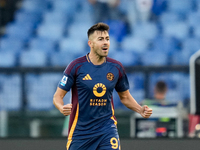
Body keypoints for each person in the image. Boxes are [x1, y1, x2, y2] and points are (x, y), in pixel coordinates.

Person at [53, 22, 152, 150]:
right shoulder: (76, 66)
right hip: (81, 133)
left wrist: (140, 110)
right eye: (100, 39)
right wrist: (61, 107)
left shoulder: (116, 67)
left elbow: (125, 97)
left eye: (107, 39)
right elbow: (57, 96)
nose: (105, 42)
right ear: (91, 43)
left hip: (107, 129)